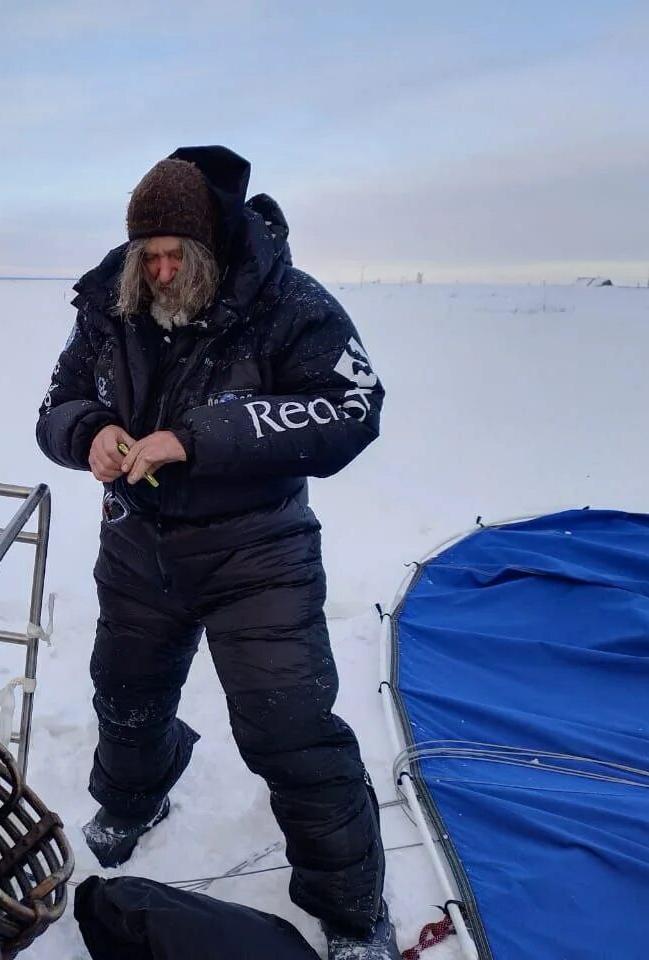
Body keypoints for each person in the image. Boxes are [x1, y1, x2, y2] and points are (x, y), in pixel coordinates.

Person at [35, 147, 395, 959]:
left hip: (257, 551)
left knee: (290, 728)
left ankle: (353, 909)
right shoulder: (109, 300)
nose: (160, 272)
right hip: (136, 542)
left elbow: (353, 410)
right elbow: (58, 402)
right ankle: (134, 799)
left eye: (176, 256)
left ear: (210, 248)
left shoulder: (290, 302)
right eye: (147, 257)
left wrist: (196, 438)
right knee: (126, 694)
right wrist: (90, 434)